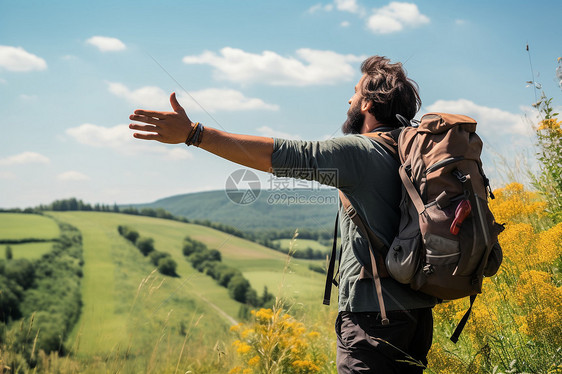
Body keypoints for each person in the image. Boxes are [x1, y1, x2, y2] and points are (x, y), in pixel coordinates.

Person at [129, 55, 437, 373]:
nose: (349, 98)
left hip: (375, 315)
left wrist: (195, 134)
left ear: (368, 104)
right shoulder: (412, 153)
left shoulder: (359, 150)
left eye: (355, 91)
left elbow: (280, 153)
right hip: (418, 314)